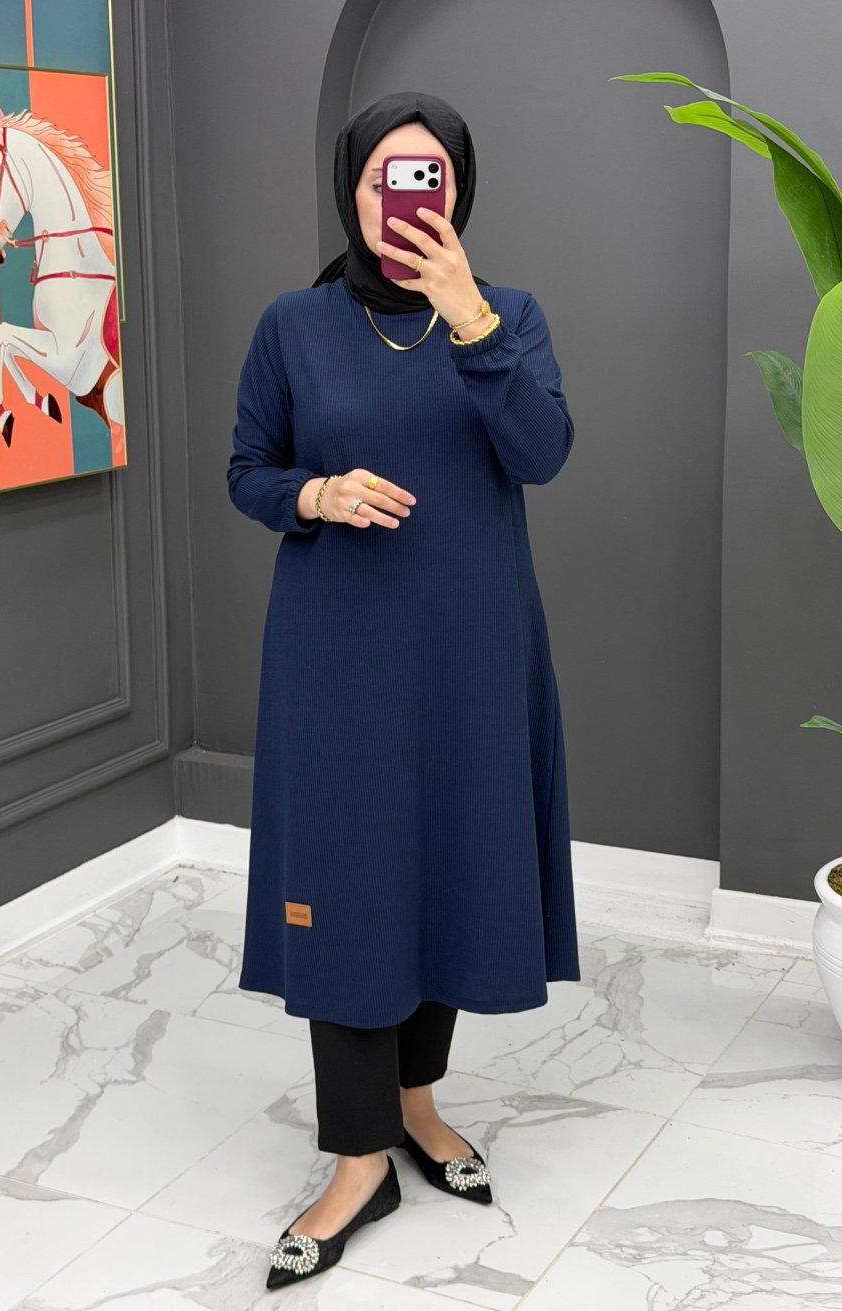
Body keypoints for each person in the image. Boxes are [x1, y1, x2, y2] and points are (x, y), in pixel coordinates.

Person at [226, 90, 582, 1290]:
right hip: (336, 656)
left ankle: (417, 1105)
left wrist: (470, 317)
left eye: (428, 175)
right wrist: (316, 495)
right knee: (347, 881)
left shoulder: (508, 316)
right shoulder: (293, 324)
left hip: (475, 651)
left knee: (448, 865)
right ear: (353, 189)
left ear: (459, 192)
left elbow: (542, 452)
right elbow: (248, 469)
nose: (404, 197)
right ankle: (356, 1162)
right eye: (386, 176)